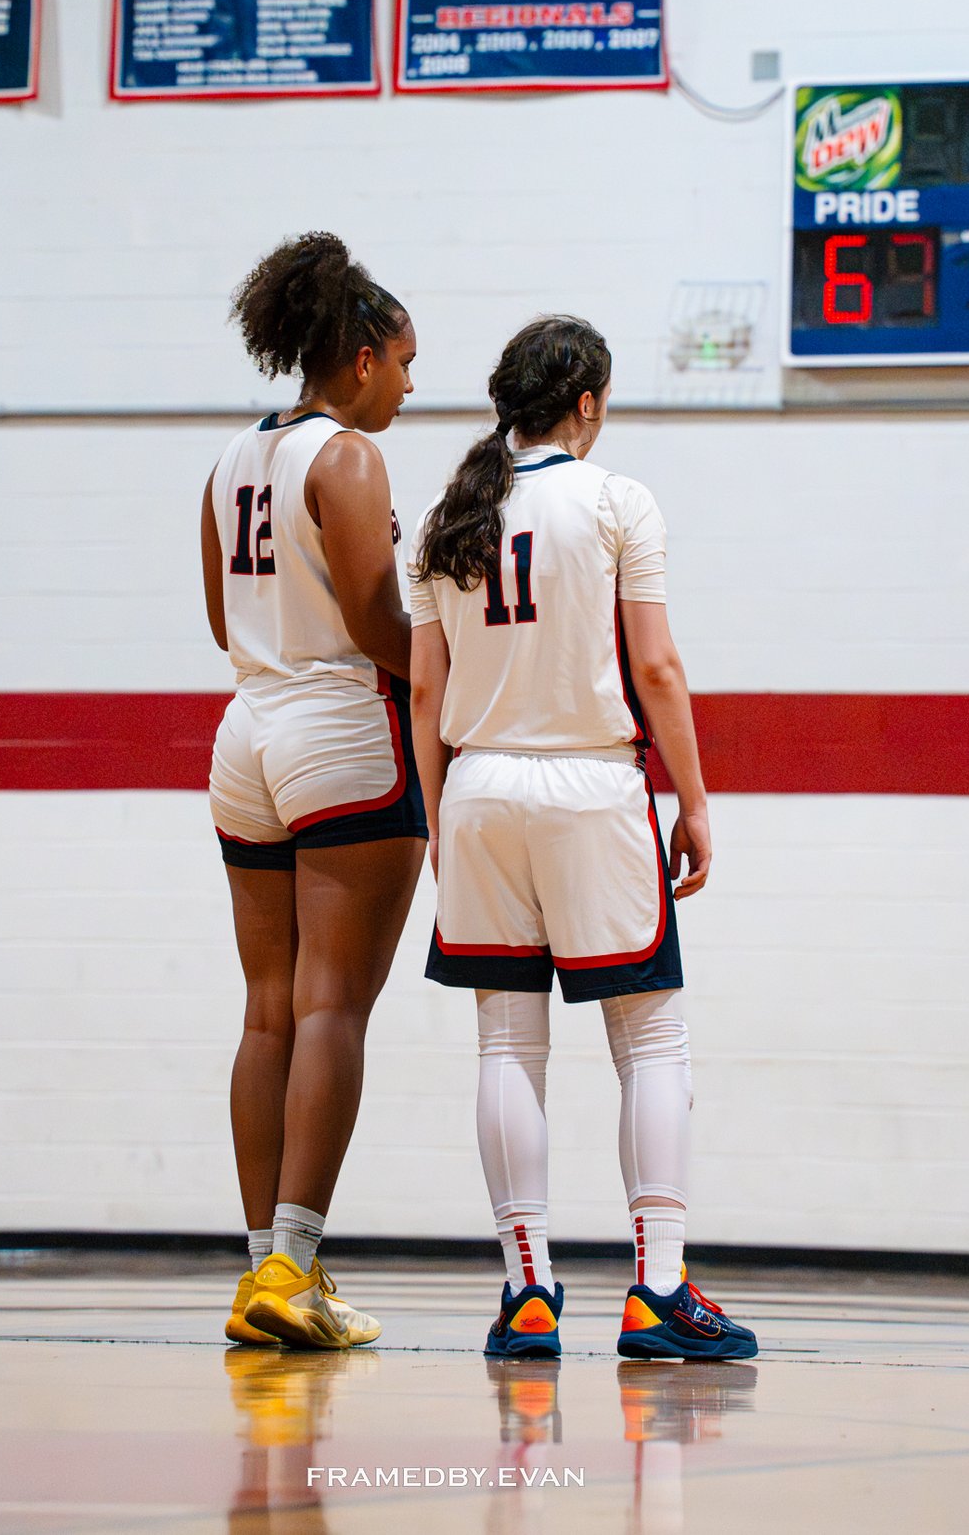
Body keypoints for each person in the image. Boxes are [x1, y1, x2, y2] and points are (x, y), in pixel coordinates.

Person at [408, 315, 757, 1362]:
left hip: (477, 787)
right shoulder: (616, 501)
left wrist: (437, 815)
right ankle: (657, 1288)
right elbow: (656, 668)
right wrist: (695, 800)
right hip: (592, 786)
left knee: (506, 1044)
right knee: (650, 1041)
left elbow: (423, 690)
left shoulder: (444, 518)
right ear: (588, 402)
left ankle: (527, 1291)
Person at [202, 232, 426, 1350]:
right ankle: (294, 1264)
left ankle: (267, 1271)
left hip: (246, 731)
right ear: (362, 357)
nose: (410, 386)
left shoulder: (229, 459)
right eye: (405, 363)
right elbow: (378, 627)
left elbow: (220, 623)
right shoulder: (348, 457)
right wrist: (457, 674)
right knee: (333, 1005)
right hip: (337, 727)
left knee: (267, 1009)